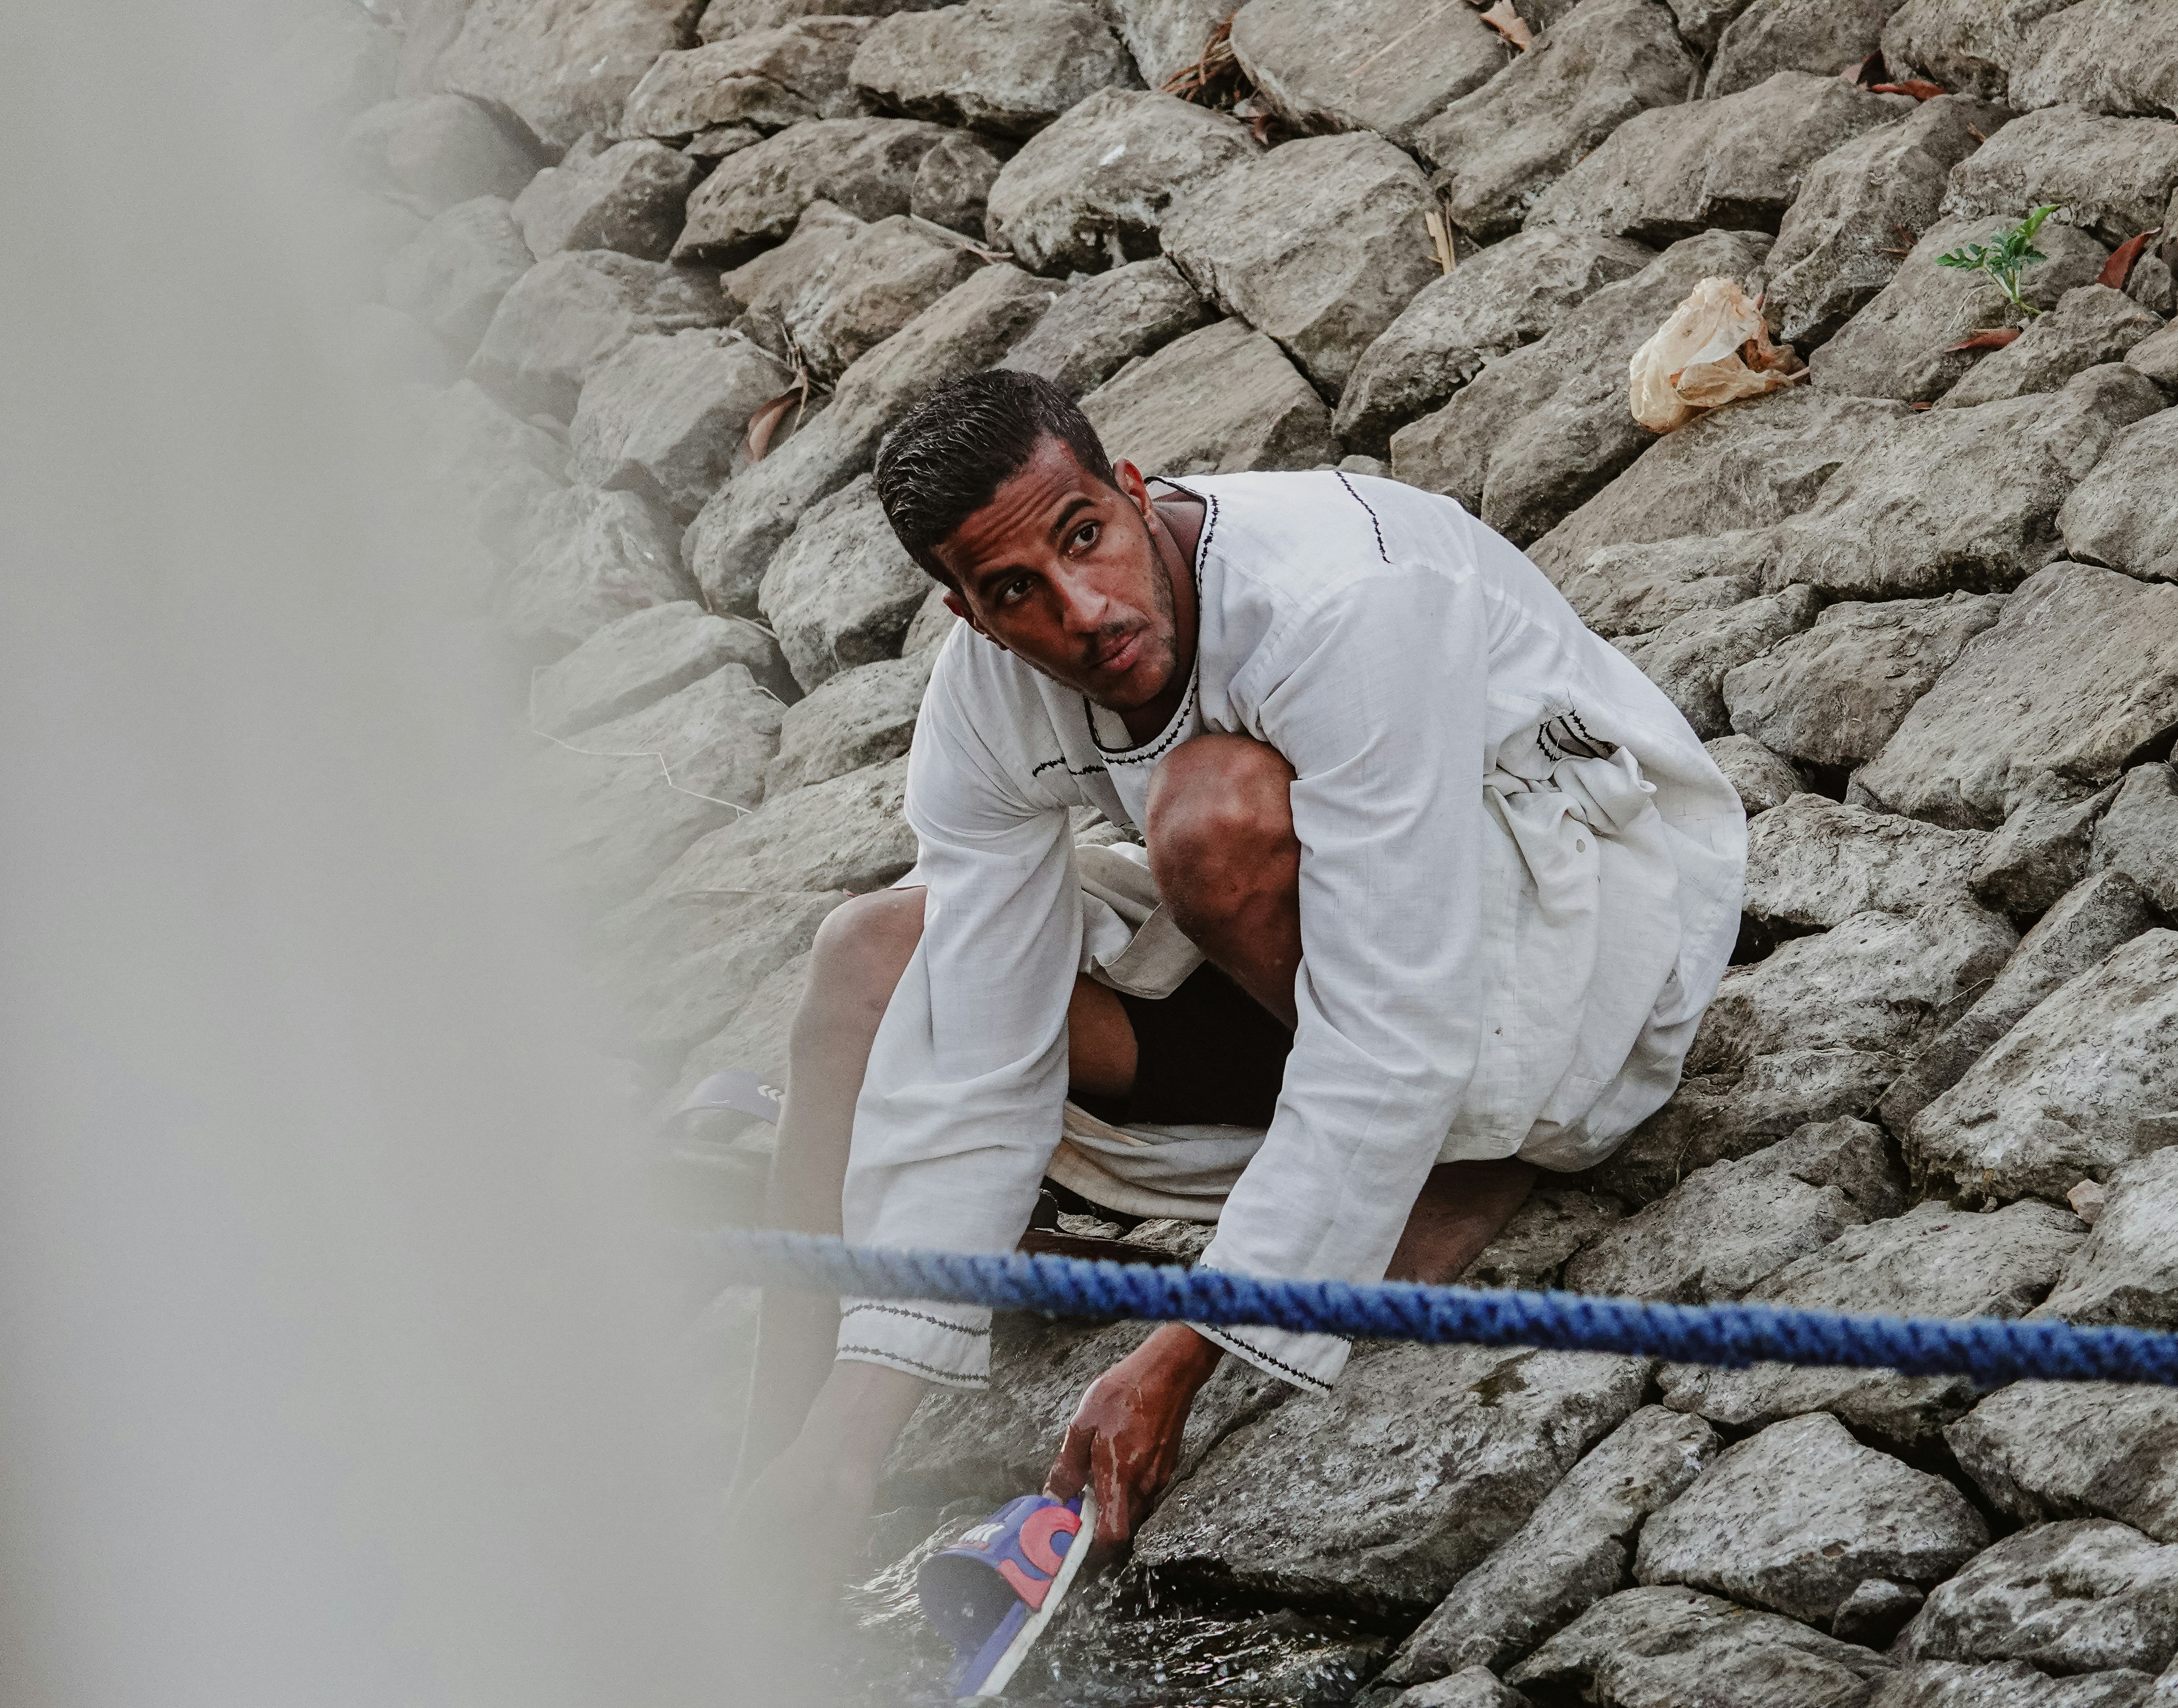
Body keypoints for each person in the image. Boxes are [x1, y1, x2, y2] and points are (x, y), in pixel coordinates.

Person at [726, 369, 1746, 1631]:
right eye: (1014, 594)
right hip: (1311, 969)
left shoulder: (1343, 603)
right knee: (875, 957)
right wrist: (847, 1444)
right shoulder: (982, 702)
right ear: (968, 613)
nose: (1081, 611)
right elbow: (973, 1055)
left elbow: (1394, 1015)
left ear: (1134, 493)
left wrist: (1189, 1342)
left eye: (1084, 537)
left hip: (1571, 927)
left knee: (1210, 814)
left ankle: (1472, 1165)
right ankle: (767, 1484)